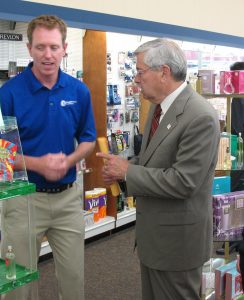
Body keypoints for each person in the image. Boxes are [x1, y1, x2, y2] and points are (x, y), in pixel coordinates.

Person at [97, 38, 220, 299]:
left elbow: (184, 181)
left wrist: (127, 172)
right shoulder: (156, 107)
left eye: (140, 71)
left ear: (163, 72)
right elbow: (154, 161)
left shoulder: (200, 116)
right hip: (154, 240)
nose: (136, 78)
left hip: (178, 246)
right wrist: (126, 169)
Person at [0, 15, 96, 300]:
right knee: (18, 283)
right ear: (29, 48)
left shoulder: (79, 91)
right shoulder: (9, 94)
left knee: (73, 280)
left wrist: (68, 160)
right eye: (41, 47)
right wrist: (38, 164)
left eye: (54, 47)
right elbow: (2, 154)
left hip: (67, 199)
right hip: (24, 200)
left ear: (65, 48)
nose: (48, 55)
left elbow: (88, 139)